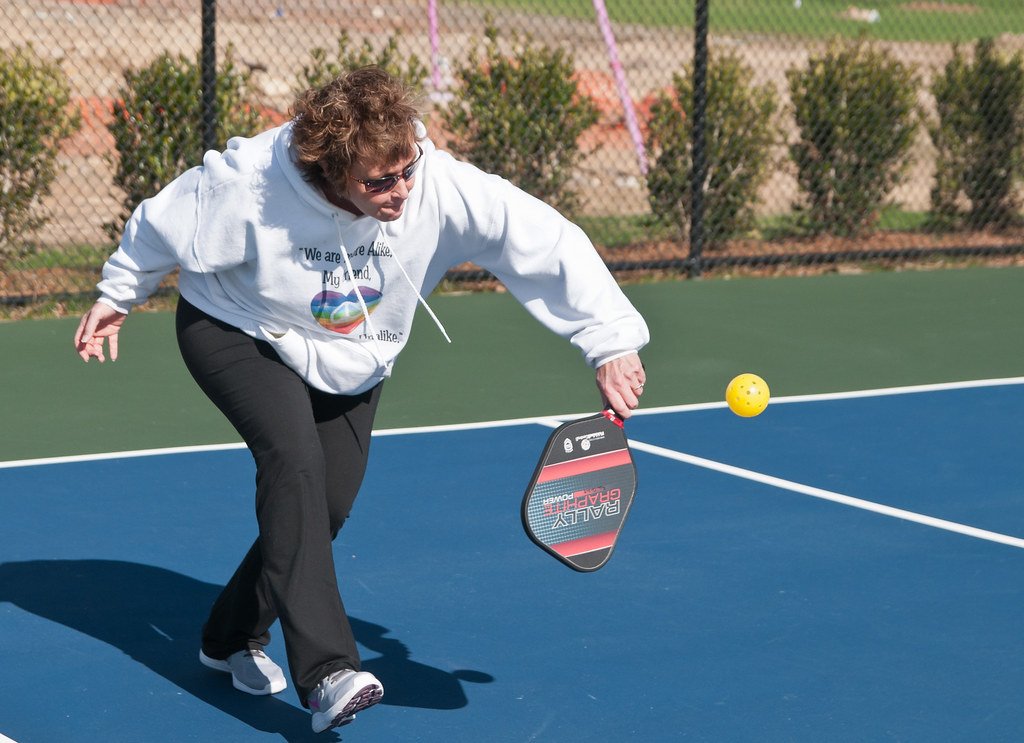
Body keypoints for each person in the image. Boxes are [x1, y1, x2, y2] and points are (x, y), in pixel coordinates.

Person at [73, 66, 649, 733]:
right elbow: (158, 222)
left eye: (406, 170)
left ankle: (229, 635)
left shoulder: (439, 187)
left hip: (352, 353)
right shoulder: (249, 185)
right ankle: (327, 673)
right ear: (329, 171)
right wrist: (118, 293)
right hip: (237, 326)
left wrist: (608, 341)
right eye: (380, 180)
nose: (401, 191)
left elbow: (543, 239)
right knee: (294, 462)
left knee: (327, 505)